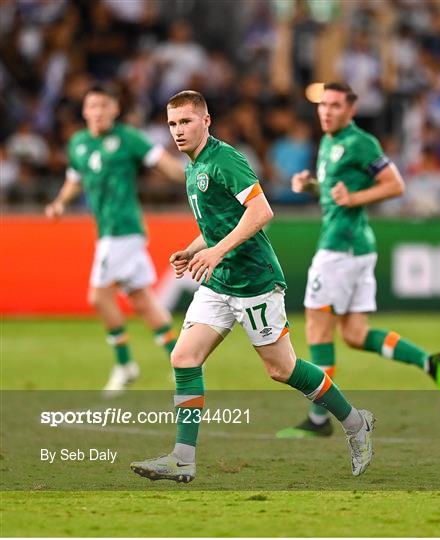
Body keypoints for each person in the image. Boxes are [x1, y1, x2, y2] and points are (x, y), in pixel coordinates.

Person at [130, 91, 375, 483]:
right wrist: (192, 249)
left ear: (206, 122)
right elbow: (218, 223)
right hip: (219, 282)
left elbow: (261, 212)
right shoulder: (192, 167)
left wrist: (215, 252)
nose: (178, 131)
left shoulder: (224, 159)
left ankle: (355, 422)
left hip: (254, 281)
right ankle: (182, 457)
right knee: (184, 358)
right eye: (173, 124)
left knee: (282, 369)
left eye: (186, 122)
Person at [276, 82, 440, 439]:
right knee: (356, 334)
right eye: (323, 105)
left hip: (340, 248)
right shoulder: (329, 142)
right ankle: (429, 362)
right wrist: (311, 186)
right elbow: (337, 193)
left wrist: (356, 196)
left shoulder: (361, 142)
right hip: (359, 248)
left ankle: (317, 420)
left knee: (317, 325)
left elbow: (395, 185)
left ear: (351, 110)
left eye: (335, 106)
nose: (326, 111)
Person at [45, 85, 185, 395]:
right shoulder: (79, 143)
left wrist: (195, 176)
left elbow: (164, 163)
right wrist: (59, 203)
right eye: (92, 106)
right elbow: (74, 181)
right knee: (143, 301)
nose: (98, 111)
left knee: (98, 297)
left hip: (123, 230)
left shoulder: (128, 138)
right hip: (108, 231)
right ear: (84, 111)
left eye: (104, 106)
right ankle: (183, 363)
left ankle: (125, 364)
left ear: (115, 110)